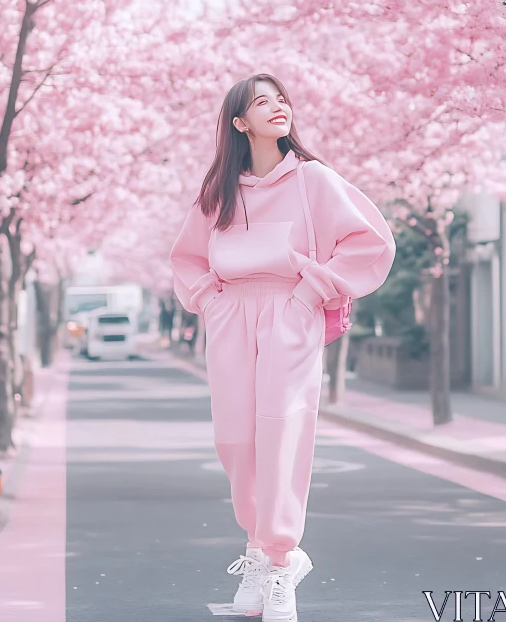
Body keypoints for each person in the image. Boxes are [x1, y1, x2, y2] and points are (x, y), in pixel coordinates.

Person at [169, 74, 396, 622]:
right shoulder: (218, 190)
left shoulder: (314, 180)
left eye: (282, 100)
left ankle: (280, 561)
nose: (278, 109)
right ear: (239, 123)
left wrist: (309, 295)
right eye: (261, 103)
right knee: (235, 439)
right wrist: (214, 304)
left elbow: (371, 243)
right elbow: (188, 258)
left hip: (290, 313)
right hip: (230, 316)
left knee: (281, 433)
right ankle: (257, 550)